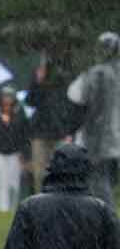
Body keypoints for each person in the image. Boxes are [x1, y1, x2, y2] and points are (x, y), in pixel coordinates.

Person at [67, 32, 120, 205]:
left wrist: (72, 129)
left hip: (98, 137)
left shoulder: (96, 74)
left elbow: (77, 98)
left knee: (98, 179)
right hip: (114, 137)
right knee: (104, 179)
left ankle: (105, 217)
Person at [26, 57, 82, 198]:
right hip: (40, 133)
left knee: (61, 170)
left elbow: (71, 108)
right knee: (40, 172)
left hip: (60, 132)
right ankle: (42, 199)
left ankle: (60, 198)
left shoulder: (64, 83)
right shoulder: (39, 82)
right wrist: (37, 82)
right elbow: (30, 101)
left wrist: (69, 130)